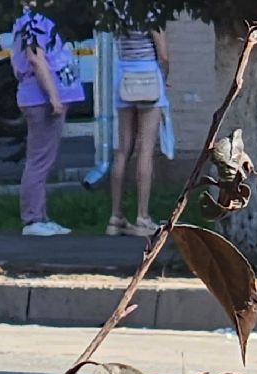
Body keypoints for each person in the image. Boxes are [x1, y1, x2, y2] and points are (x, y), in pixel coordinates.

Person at [11, 3, 85, 238]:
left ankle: (40, 216)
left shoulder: (32, 21)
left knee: (43, 159)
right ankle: (33, 218)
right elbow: (36, 59)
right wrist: (54, 97)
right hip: (40, 98)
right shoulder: (33, 22)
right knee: (39, 160)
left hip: (38, 97)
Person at [108, 16, 169, 238]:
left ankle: (116, 217)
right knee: (145, 149)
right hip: (148, 76)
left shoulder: (116, 8)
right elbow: (163, 54)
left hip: (123, 75)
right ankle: (142, 217)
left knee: (123, 149)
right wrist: (166, 76)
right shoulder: (149, 10)